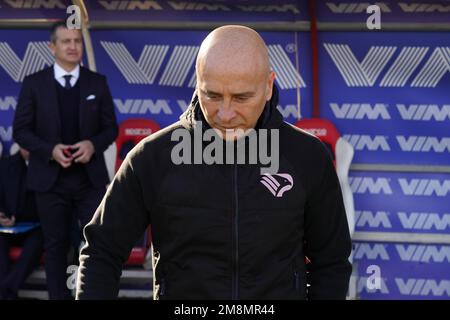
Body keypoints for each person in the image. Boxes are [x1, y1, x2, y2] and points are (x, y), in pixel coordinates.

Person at [76, 25, 352, 300]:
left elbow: (331, 263)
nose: (226, 113)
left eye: (242, 97)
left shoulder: (307, 158)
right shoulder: (152, 158)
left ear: (268, 86)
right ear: (198, 81)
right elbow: (101, 252)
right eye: (213, 95)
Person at [13, 21, 118, 300]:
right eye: (66, 41)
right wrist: (50, 150)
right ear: (52, 47)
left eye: (77, 41)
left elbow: (111, 129)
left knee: (94, 244)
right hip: (49, 181)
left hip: (89, 182)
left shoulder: (98, 82)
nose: (73, 46)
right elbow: (20, 131)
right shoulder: (34, 84)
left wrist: (92, 145)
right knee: (56, 246)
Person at [0, 147, 43, 300]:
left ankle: (6, 291)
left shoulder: (47, 166)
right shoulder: (5, 165)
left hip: (36, 228)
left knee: (38, 241)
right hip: (7, 227)